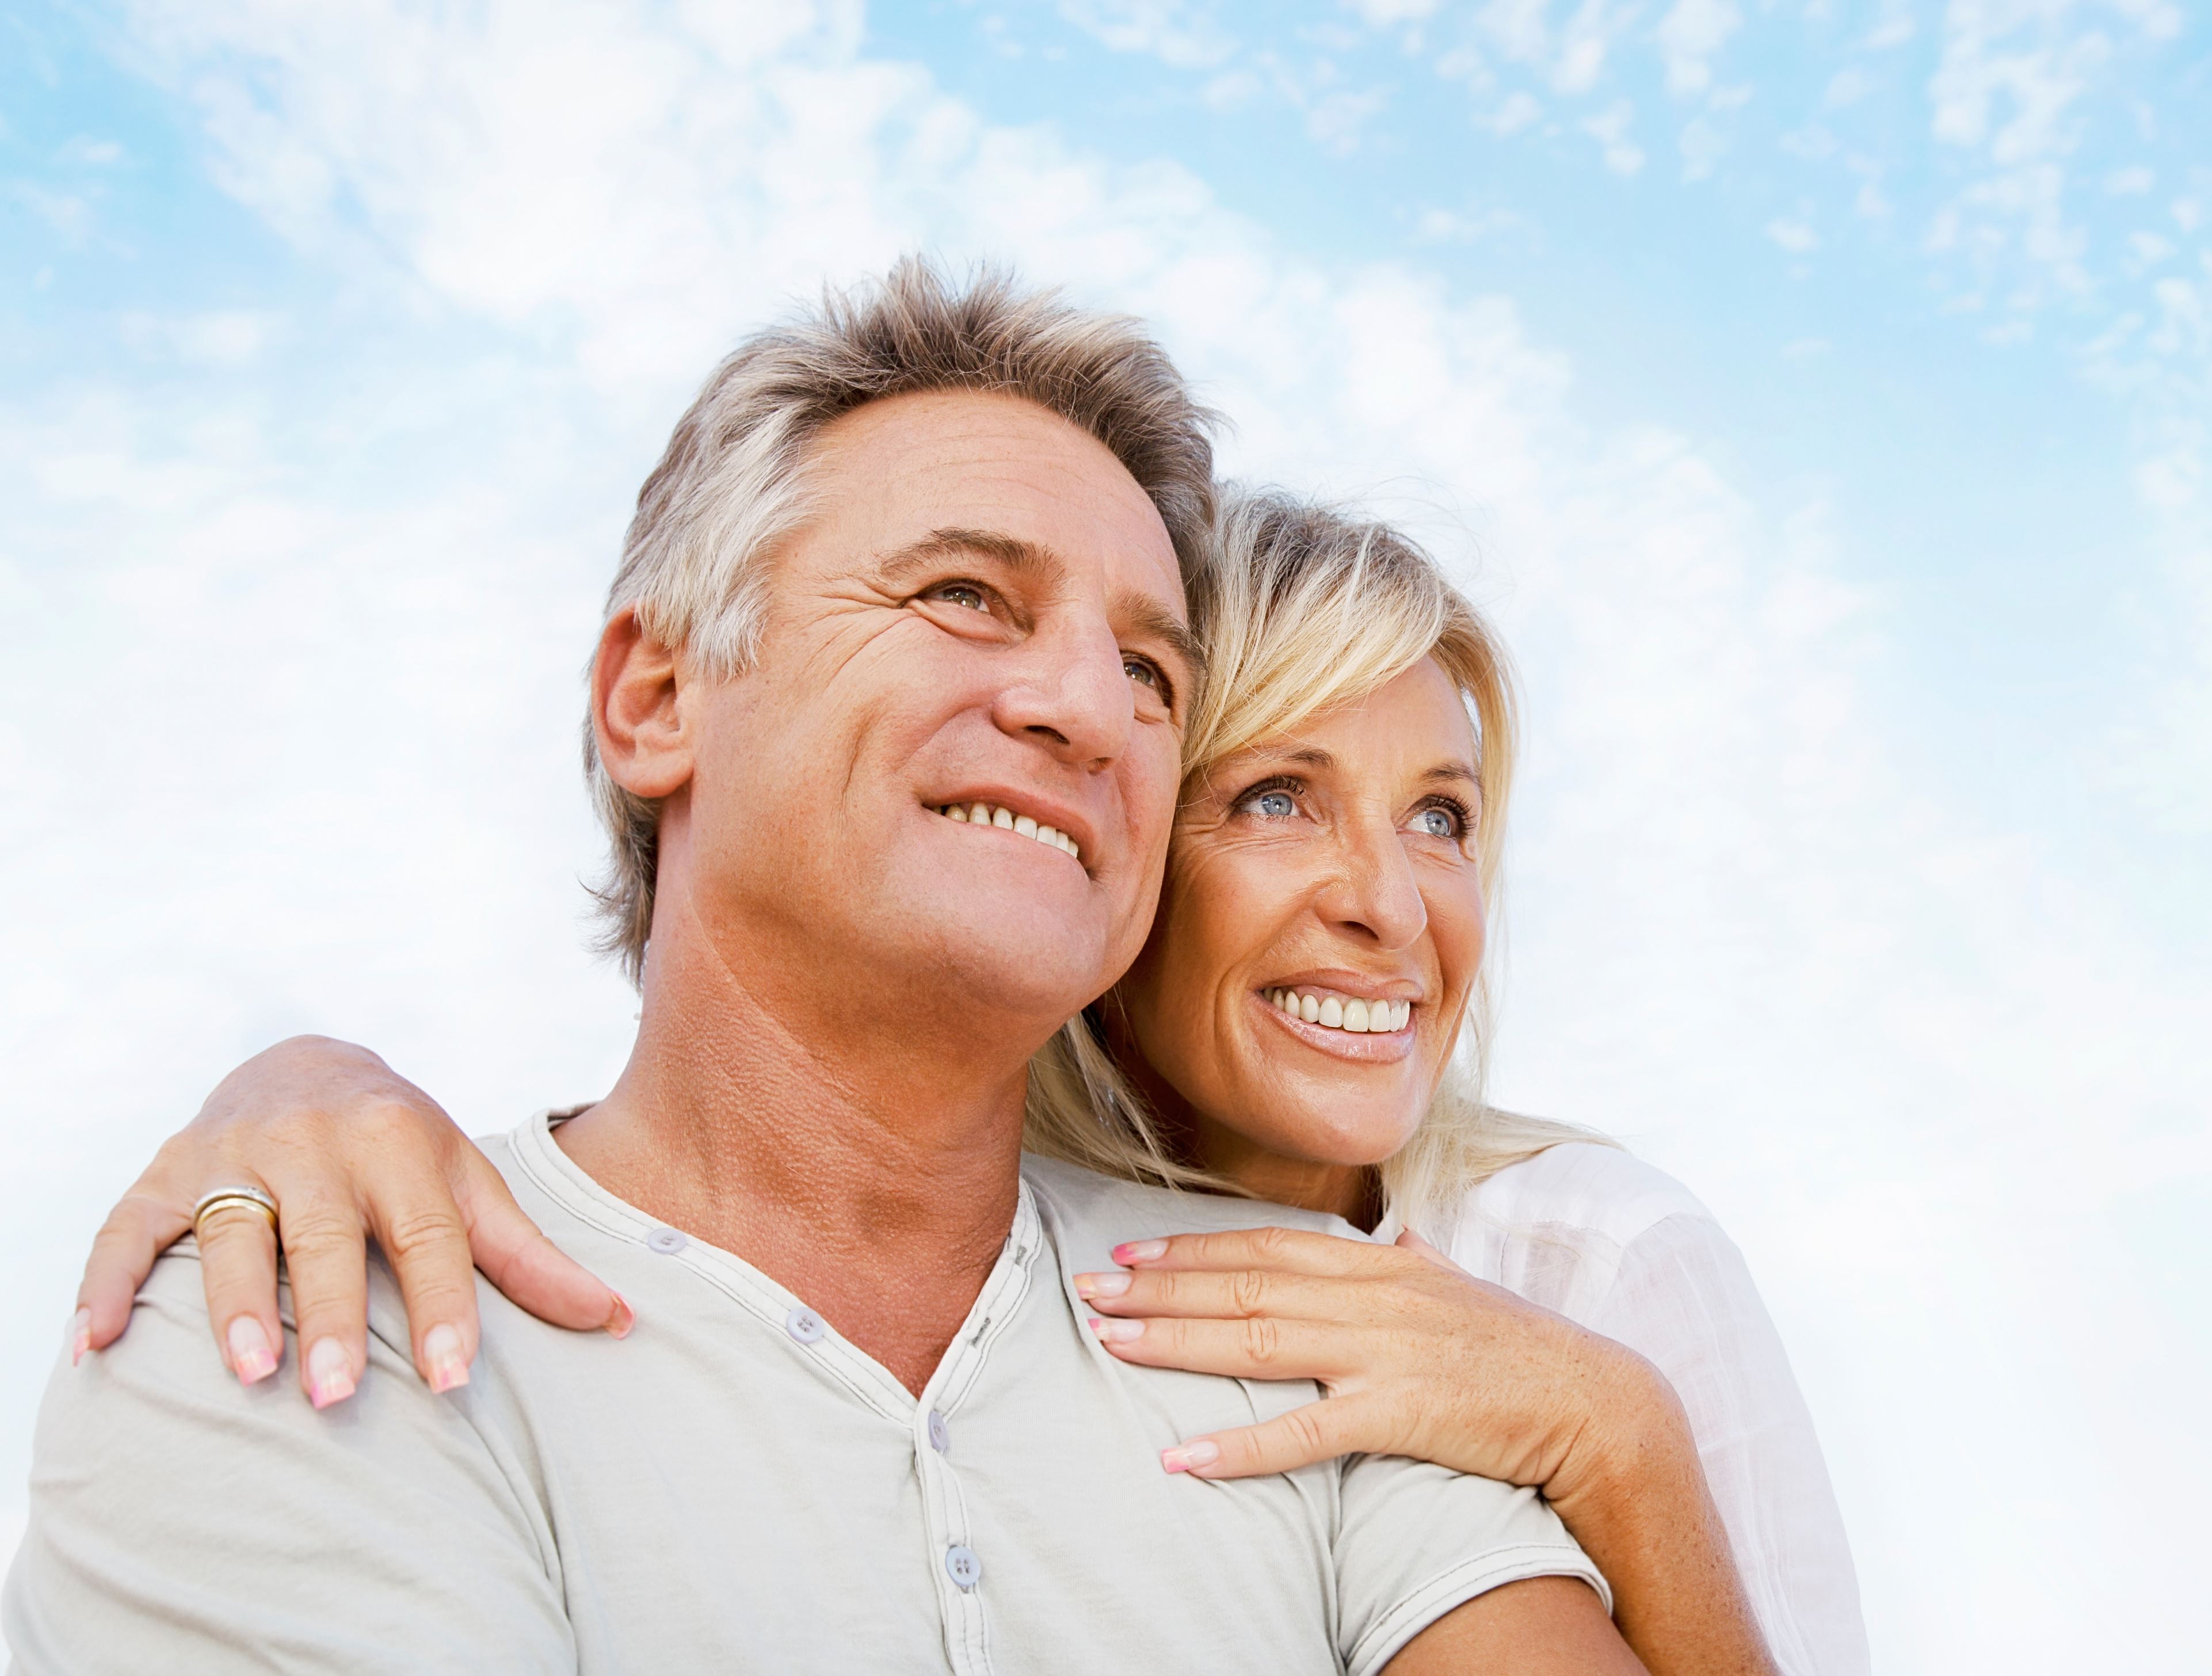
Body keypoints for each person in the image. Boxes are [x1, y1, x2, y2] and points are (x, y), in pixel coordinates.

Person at [3, 262, 1650, 1675]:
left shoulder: (1316, 1330)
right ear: (656, 696)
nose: (1086, 706)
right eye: (963, 595)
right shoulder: (293, 1316)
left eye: (1151, 671)